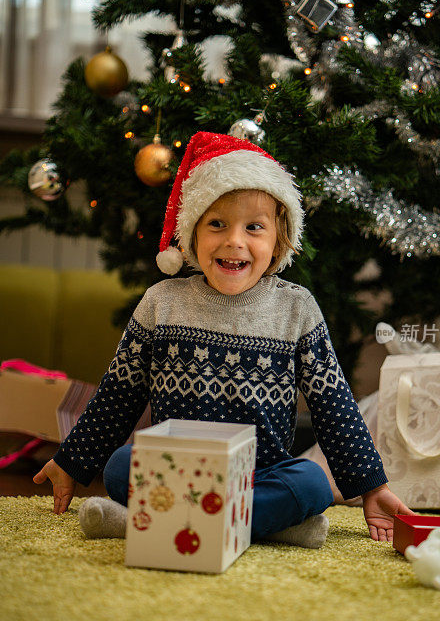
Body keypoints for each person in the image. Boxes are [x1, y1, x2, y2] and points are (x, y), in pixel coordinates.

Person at [34, 132, 413, 548]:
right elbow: (118, 394)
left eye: (254, 227)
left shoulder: (297, 309)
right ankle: (264, 527)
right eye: (216, 224)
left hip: (261, 473)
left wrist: (372, 487)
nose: (235, 240)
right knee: (121, 466)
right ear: (191, 233)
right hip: (174, 468)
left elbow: (334, 405)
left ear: (279, 240)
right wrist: (70, 462)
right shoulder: (161, 303)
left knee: (311, 484)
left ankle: (149, 522)